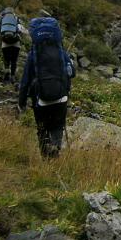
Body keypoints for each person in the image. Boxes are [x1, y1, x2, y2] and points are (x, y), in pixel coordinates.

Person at [18, 16, 75, 158]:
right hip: (61, 97)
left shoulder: (33, 55)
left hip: (40, 99)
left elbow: (25, 81)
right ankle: (55, 149)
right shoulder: (62, 53)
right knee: (57, 126)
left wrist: (22, 103)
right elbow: (72, 73)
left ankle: (46, 158)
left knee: (42, 129)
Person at [0, 7, 28, 83]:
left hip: (5, 44)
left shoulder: (2, 20)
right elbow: (22, 30)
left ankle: (6, 75)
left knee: (6, 60)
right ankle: (12, 77)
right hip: (16, 44)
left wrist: (0, 35)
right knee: (14, 61)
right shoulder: (16, 20)